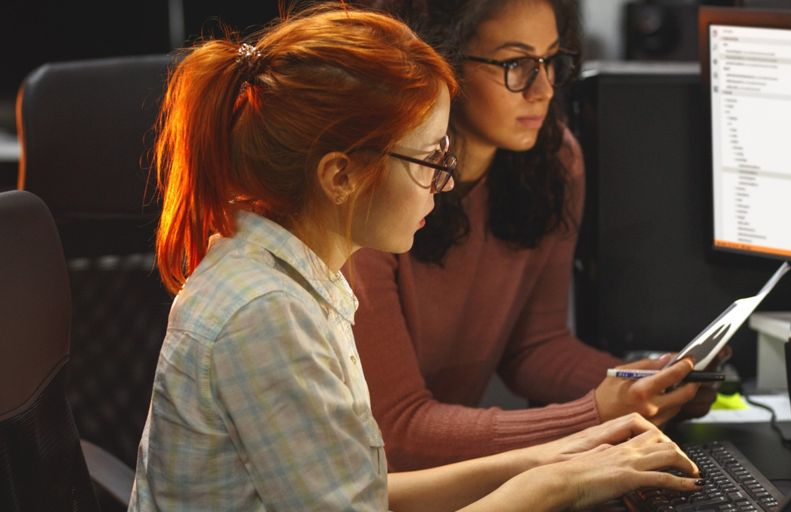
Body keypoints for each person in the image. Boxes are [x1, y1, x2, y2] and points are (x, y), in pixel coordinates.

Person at [130, 5, 705, 511]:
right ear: (340, 176)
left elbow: (362, 491)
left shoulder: (296, 278)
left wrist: (564, 453)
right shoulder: (266, 315)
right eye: (431, 159)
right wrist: (562, 486)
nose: (447, 183)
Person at [344, 0, 731, 470]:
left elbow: (533, 347)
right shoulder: (371, 195)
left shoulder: (552, 161)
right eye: (515, 64)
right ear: (439, 62)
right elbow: (396, 431)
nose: (543, 89)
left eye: (551, 61)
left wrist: (643, 381)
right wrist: (597, 413)